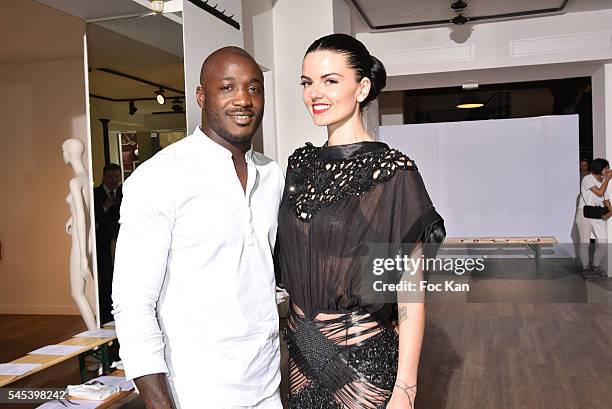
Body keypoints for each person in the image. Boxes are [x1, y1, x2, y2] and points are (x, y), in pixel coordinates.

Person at [275, 34, 445, 409]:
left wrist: (406, 388)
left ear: (363, 87)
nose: (314, 94)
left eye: (330, 80)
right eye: (307, 82)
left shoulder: (395, 174)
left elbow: (410, 294)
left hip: (363, 361)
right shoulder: (298, 166)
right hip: (302, 354)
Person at [112, 47, 284, 409]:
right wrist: (160, 404)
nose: (243, 99)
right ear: (201, 96)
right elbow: (133, 304)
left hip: (267, 386)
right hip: (194, 391)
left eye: (254, 88)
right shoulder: (159, 178)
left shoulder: (272, 175)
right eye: (227, 87)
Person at [62, 138, 97, 330]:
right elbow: (84, 209)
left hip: (80, 239)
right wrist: (71, 218)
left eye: (63, 149)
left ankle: (97, 341)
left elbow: (82, 216)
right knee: (97, 290)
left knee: (77, 292)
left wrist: (83, 255)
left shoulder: (75, 181)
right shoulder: (87, 177)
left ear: (69, 151)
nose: (62, 153)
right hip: (90, 236)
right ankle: (104, 339)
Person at [93, 163, 123, 324]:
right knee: (106, 276)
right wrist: (105, 207)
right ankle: (106, 313)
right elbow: (93, 218)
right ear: (104, 176)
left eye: (117, 176)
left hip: (122, 240)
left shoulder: (124, 192)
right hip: (103, 243)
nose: (114, 180)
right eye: (111, 176)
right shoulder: (95, 194)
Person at [576, 158, 612, 275]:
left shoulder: (602, 182)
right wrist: (607, 179)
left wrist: (609, 213)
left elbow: (606, 200)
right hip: (584, 214)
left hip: (598, 215)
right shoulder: (587, 179)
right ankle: (585, 268)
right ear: (599, 168)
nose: (608, 170)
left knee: (603, 243)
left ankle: (595, 265)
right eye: (606, 168)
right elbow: (600, 193)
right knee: (585, 242)